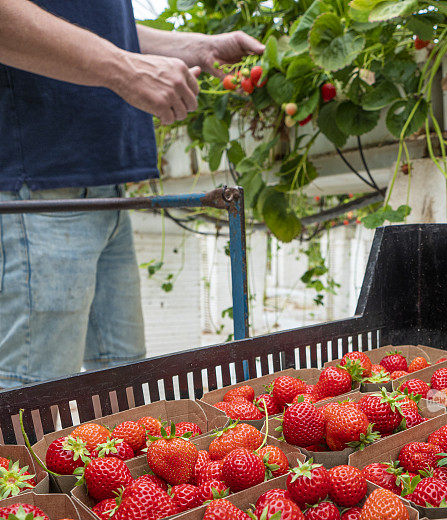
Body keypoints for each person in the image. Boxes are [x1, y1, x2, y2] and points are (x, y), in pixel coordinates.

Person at [0, 0, 263, 389]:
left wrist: (194, 47)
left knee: (124, 380)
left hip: (105, 187)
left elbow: (93, 23)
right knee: (32, 393)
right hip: (40, 183)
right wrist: (124, 68)